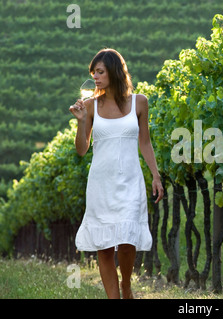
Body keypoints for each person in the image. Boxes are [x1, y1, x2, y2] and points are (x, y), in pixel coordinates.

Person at [69, 48, 164, 299]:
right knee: (104, 245)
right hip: (101, 183)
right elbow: (81, 150)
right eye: (93, 73)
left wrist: (155, 175)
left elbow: (145, 142)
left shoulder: (139, 102)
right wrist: (80, 122)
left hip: (131, 180)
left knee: (127, 240)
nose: (96, 78)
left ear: (113, 71)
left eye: (100, 72)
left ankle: (126, 285)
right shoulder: (89, 107)